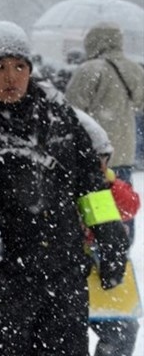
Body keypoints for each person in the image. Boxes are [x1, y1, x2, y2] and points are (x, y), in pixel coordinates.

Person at [0, 20, 130, 356]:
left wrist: (109, 231)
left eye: (19, 66)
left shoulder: (61, 116)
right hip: (2, 276)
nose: (11, 77)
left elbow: (91, 184)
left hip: (63, 269)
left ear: (31, 69)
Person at [65, 22, 144, 243]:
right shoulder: (134, 69)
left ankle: (99, 257)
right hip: (125, 153)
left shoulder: (90, 70)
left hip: (96, 155)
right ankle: (123, 252)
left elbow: (71, 111)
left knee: (96, 214)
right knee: (123, 207)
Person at [74, 109, 140, 356]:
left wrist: (109, 184)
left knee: (121, 328)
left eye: (102, 161)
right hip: (77, 266)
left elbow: (130, 205)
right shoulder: (63, 188)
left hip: (106, 264)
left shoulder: (111, 184)